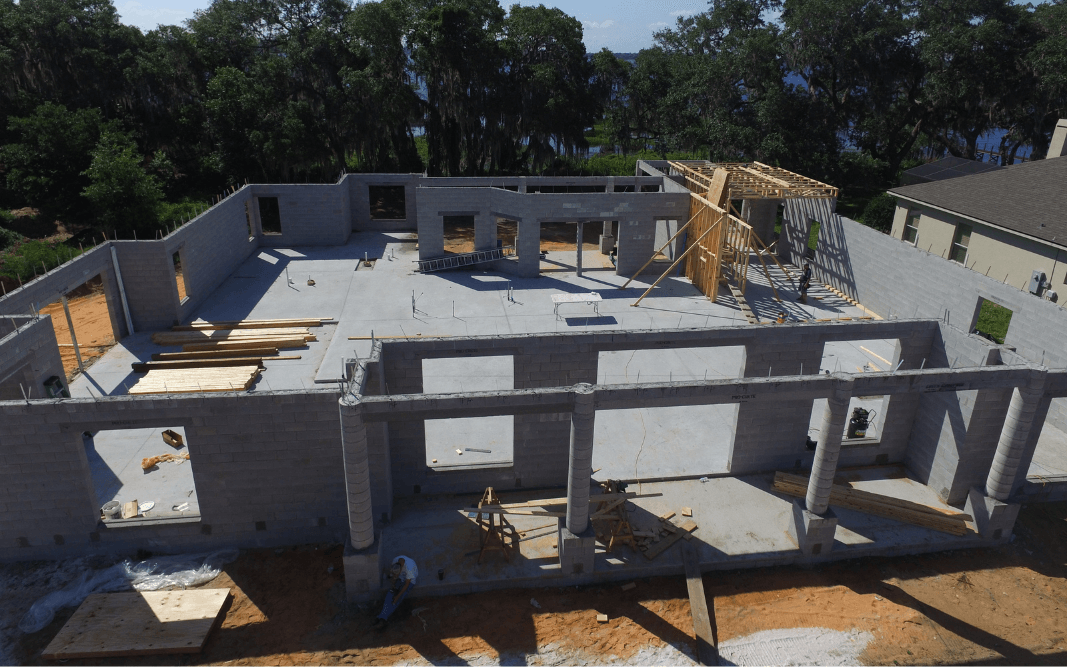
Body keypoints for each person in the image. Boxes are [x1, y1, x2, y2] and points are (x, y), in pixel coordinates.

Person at [373, 555, 418, 630]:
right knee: (390, 594)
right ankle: (381, 617)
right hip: (401, 579)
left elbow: (406, 585)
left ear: (401, 570)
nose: (395, 576)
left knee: (397, 599)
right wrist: (393, 585)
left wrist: (397, 596)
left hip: (410, 581)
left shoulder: (409, 568)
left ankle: (383, 618)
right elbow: (394, 577)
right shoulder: (395, 561)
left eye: (397, 574)